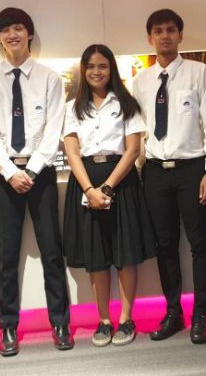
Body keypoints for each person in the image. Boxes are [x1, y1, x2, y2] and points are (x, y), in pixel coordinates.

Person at [0, 7, 72, 356]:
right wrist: (9, 171)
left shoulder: (49, 77)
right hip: (5, 176)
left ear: (29, 33)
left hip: (40, 173)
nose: (12, 34)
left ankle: (60, 322)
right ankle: (8, 327)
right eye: (5, 30)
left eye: (18, 28)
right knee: (7, 255)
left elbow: (54, 127)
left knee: (52, 251)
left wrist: (30, 171)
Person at [132, 9, 206, 345]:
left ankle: (201, 314)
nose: (165, 36)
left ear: (180, 35)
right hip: (155, 172)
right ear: (150, 38)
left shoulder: (200, 72)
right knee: (165, 245)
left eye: (171, 30)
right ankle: (174, 312)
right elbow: (138, 130)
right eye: (158, 31)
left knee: (200, 244)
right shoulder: (141, 81)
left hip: (192, 170)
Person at [62, 44, 156, 347]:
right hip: (86, 180)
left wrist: (107, 188)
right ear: (83, 70)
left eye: (102, 66)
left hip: (121, 180)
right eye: (90, 66)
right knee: (96, 256)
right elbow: (72, 152)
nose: (96, 71)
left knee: (125, 254)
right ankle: (104, 320)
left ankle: (126, 318)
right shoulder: (72, 107)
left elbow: (133, 150)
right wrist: (90, 190)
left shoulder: (127, 103)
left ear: (111, 69)